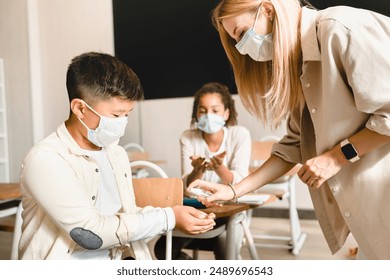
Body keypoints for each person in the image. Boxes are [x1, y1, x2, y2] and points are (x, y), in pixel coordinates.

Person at [188, 0, 390, 260]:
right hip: (370, 208)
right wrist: (233, 191)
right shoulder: (301, 66)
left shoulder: (340, 28)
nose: (243, 48)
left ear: (268, 11)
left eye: (241, 33)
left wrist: (337, 157)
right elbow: (292, 146)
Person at [18, 52, 216, 260]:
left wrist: (177, 213)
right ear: (79, 108)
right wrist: (168, 217)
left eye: (126, 114)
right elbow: (91, 234)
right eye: (115, 115)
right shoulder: (46, 159)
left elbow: (124, 217)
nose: (122, 122)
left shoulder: (116, 153)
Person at [154, 82, 251, 260]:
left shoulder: (240, 135)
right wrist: (197, 170)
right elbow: (187, 186)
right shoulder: (188, 137)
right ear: (196, 114)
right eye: (203, 110)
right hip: (196, 210)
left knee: (225, 250)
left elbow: (242, 183)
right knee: (161, 248)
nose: (208, 116)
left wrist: (219, 167)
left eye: (215, 110)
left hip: (228, 213)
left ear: (226, 113)